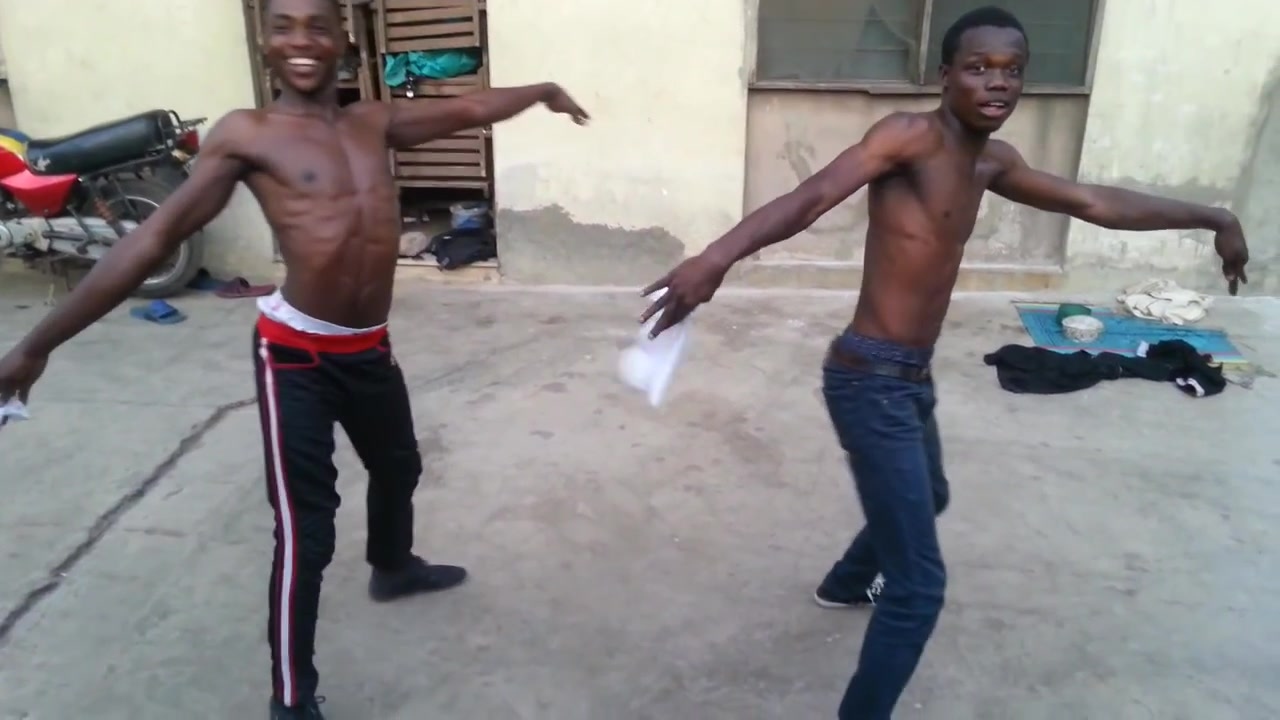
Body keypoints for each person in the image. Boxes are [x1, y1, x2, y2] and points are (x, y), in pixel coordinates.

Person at [639, 6, 1247, 720]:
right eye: (978, 68)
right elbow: (811, 197)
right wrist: (714, 259)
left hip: (910, 375)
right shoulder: (910, 137)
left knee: (930, 496)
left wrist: (1215, 218)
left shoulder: (994, 162)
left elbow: (1093, 202)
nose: (998, 83)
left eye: (1012, 71)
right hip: (869, 378)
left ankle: (844, 584)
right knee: (919, 591)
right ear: (945, 75)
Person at [0, 0, 588, 716]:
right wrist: (36, 345)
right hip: (294, 358)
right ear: (265, 40)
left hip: (368, 348)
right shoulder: (248, 134)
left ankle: (392, 567)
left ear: (343, 39)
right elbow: (153, 239)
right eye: (285, 27)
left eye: (318, 26)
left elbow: (467, 109)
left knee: (399, 466)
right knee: (307, 528)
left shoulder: (372, 121)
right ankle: (291, 696)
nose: (302, 41)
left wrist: (541, 91)